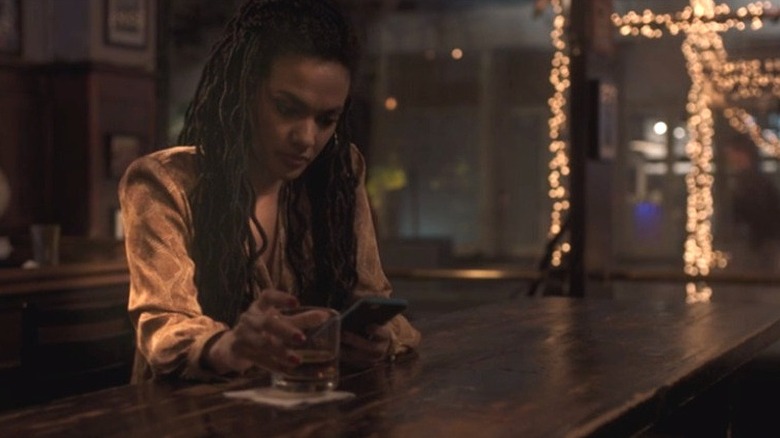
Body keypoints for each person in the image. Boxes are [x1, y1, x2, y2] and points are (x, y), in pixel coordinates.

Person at [119, 0, 420, 382]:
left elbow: (380, 303)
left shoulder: (339, 174)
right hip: (183, 414)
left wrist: (381, 339)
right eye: (287, 108)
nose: (306, 138)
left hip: (303, 409)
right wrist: (231, 345)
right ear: (245, 91)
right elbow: (163, 326)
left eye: (327, 119)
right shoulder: (164, 182)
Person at [721, 133, 780, 270]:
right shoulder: (754, 181)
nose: (730, 159)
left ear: (742, 154)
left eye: (731, 154)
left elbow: (758, 213)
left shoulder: (751, 182)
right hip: (759, 242)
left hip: (757, 245)